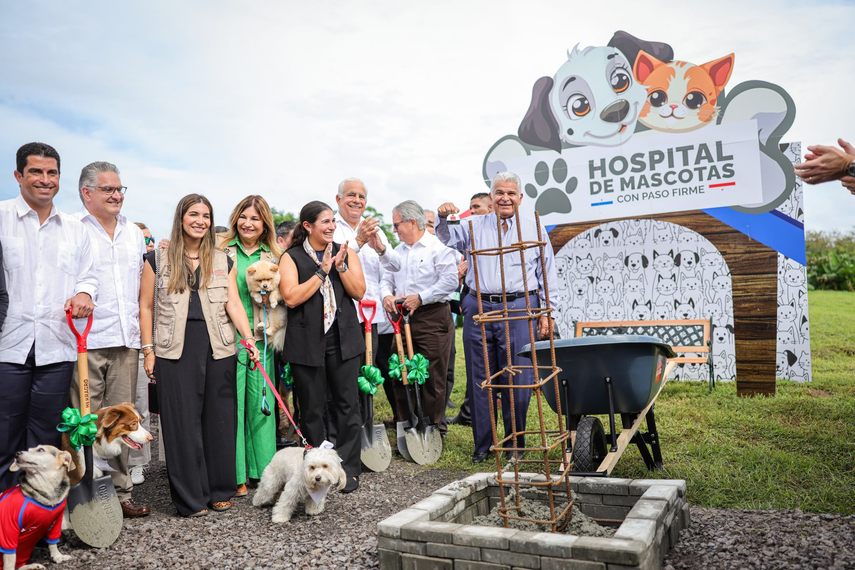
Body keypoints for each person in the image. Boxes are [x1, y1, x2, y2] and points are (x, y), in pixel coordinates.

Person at [139, 194, 258, 517]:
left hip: (218, 345)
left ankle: (219, 490)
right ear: (181, 219)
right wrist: (148, 350)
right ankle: (190, 498)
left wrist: (248, 339)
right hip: (173, 349)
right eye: (194, 214)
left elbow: (233, 302)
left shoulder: (223, 260)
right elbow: (146, 307)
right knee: (181, 423)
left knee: (220, 420)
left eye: (206, 215)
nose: (201, 221)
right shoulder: (156, 260)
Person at [436, 172, 558, 464]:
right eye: (499, 192)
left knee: (518, 375)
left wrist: (547, 313)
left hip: (519, 307)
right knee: (481, 378)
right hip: (480, 307)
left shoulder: (534, 228)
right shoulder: (472, 225)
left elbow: (547, 273)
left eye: (511, 193)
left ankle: (516, 443)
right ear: (490, 197)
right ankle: (484, 445)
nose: (505, 198)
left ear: (520, 198)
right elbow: (446, 237)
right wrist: (443, 218)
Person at [0, 142, 97, 491]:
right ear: (18, 176)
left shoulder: (75, 229)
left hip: (57, 348)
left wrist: (85, 292)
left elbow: (89, 274)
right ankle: (5, 523)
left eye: (51, 172)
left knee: (44, 439)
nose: (45, 179)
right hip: (8, 347)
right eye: (36, 172)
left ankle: (36, 522)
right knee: (5, 437)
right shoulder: (1, 218)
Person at [70, 161, 150, 517]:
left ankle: (120, 493)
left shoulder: (133, 232)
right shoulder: (72, 229)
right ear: (87, 193)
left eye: (120, 189)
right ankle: (81, 492)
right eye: (108, 189)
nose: (117, 195)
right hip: (84, 339)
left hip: (125, 339)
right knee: (84, 420)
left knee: (123, 422)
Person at [279, 201, 365, 493]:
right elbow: (291, 298)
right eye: (324, 222)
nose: (330, 227)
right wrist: (320, 272)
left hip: (343, 338)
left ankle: (349, 470)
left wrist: (339, 267)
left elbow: (359, 292)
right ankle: (315, 472)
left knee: (347, 405)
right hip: (307, 342)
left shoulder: (346, 251)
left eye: (332, 222)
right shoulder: (291, 258)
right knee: (312, 409)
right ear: (308, 226)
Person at [219, 196, 282, 498]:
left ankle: (265, 470)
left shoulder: (274, 255)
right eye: (243, 217)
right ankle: (237, 472)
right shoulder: (221, 249)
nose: (248, 223)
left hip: (261, 339)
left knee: (261, 405)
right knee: (234, 405)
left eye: (255, 218)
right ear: (235, 218)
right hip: (227, 338)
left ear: (264, 223)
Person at [380, 200, 458, 438]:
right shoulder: (398, 251)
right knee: (399, 372)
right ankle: (407, 426)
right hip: (401, 318)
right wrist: (386, 296)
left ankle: (434, 430)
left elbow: (450, 280)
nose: (394, 230)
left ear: (411, 222)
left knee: (432, 376)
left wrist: (421, 298)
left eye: (396, 225)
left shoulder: (437, 247)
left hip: (432, 317)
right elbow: (386, 278)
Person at [332, 178, 402, 426]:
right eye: (351, 195)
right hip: (344, 315)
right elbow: (335, 263)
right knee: (350, 374)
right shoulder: (332, 227)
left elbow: (396, 265)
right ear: (339, 199)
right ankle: (351, 425)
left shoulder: (373, 227)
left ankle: (377, 423)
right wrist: (358, 242)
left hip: (373, 317)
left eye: (362, 197)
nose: (357, 201)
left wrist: (381, 248)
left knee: (375, 371)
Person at [447, 192, 491, 426]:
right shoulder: (468, 235)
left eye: (476, 207)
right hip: (471, 298)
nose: (472, 212)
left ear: (491, 208)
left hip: (496, 303)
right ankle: (469, 413)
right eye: (470, 208)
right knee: (476, 363)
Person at [130, 222, 154, 485]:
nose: (148, 243)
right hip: (126, 342)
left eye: (151, 239)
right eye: (143, 240)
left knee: (143, 407)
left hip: (148, 344)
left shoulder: (156, 267)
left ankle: (140, 463)